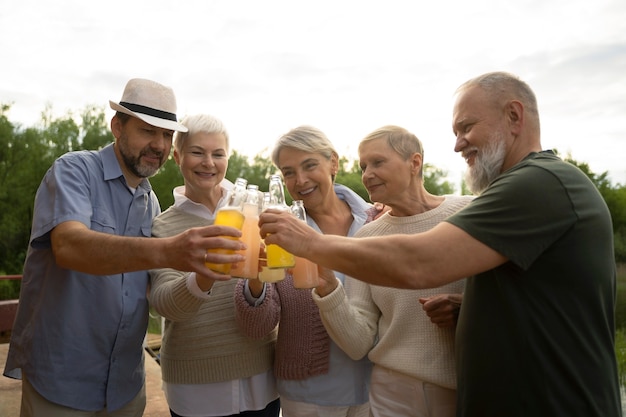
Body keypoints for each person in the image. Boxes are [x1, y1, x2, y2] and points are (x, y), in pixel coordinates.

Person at [258, 72, 622, 416]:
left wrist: (309, 243)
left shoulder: (536, 184)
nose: (457, 143)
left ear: (514, 115)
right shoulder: (519, 189)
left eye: (466, 127)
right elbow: (534, 295)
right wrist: (469, 309)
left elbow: (419, 262)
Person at [3, 79, 245, 416]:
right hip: (62, 380)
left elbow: (157, 293)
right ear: (117, 126)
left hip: (126, 387)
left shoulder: (152, 204)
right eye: (148, 131)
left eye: (166, 135)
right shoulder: (74, 170)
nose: (158, 144)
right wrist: (170, 251)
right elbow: (69, 246)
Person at [312, 125, 473, 417]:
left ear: (414, 163)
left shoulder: (470, 213)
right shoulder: (367, 238)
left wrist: (467, 308)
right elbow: (358, 343)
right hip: (392, 394)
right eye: (363, 166)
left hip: (468, 388)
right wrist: (327, 288)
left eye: (377, 162)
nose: (366, 174)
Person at [234, 125, 380, 417]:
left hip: (375, 386)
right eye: (288, 172)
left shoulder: (377, 219)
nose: (300, 180)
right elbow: (257, 327)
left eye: (310, 165)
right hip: (310, 393)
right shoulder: (275, 231)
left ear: (333, 163)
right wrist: (254, 280)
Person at [149, 113, 280, 417]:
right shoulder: (160, 226)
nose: (208, 162)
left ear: (227, 158)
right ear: (177, 156)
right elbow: (166, 305)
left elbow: (273, 286)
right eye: (197, 152)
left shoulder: (257, 209)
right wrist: (206, 272)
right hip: (195, 386)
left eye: (218, 154)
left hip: (261, 377)